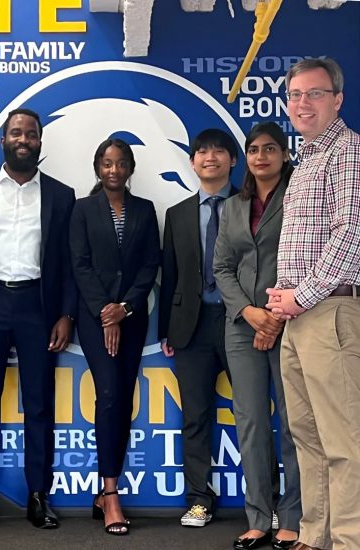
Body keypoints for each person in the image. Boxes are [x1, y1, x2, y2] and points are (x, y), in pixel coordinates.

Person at [0, 108, 77, 534]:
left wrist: (65, 314)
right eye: (15, 133)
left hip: (38, 307)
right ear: (4, 140)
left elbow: (67, 261)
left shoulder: (62, 195)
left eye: (30, 134)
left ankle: (38, 497)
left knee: (40, 405)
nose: (23, 139)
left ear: (40, 141)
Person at [266, 59, 360, 550]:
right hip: (300, 318)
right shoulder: (305, 160)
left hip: (331, 313)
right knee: (309, 437)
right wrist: (286, 296)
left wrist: (299, 295)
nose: (302, 104)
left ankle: (349, 541)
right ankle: (316, 535)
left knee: (344, 442)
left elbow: (351, 235)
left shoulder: (348, 151)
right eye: (295, 95)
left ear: (337, 100)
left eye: (314, 94)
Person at [213, 122, 301, 550]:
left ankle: (293, 519)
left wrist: (275, 316)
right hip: (242, 326)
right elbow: (222, 268)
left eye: (270, 148)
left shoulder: (300, 198)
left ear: (284, 155)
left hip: (292, 322)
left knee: (293, 423)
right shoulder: (232, 207)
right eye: (253, 149)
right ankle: (257, 518)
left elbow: (304, 256)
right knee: (249, 423)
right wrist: (249, 313)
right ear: (245, 158)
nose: (261, 155)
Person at [69, 138, 159, 536]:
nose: (113, 170)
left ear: (130, 167)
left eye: (121, 163)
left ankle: (105, 488)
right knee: (107, 394)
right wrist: (106, 312)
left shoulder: (145, 209)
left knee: (122, 396)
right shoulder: (82, 209)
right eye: (106, 163)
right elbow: (79, 263)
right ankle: (110, 493)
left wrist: (126, 308)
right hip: (94, 318)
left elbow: (149, 264)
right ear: (97, 166)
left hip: (133, 317)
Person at [158, 129, 238, 527]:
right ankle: (199, 500)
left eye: (219, 151)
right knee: (195, 416)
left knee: (255, 413)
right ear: (192, 162)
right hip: (191, 328)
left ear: (232, 161)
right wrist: (166, 331)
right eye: (202, 151)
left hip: (242, 323)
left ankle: (269, 502)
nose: (210, 157)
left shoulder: (251, 205)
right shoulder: (177, 214)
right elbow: (169, 276)